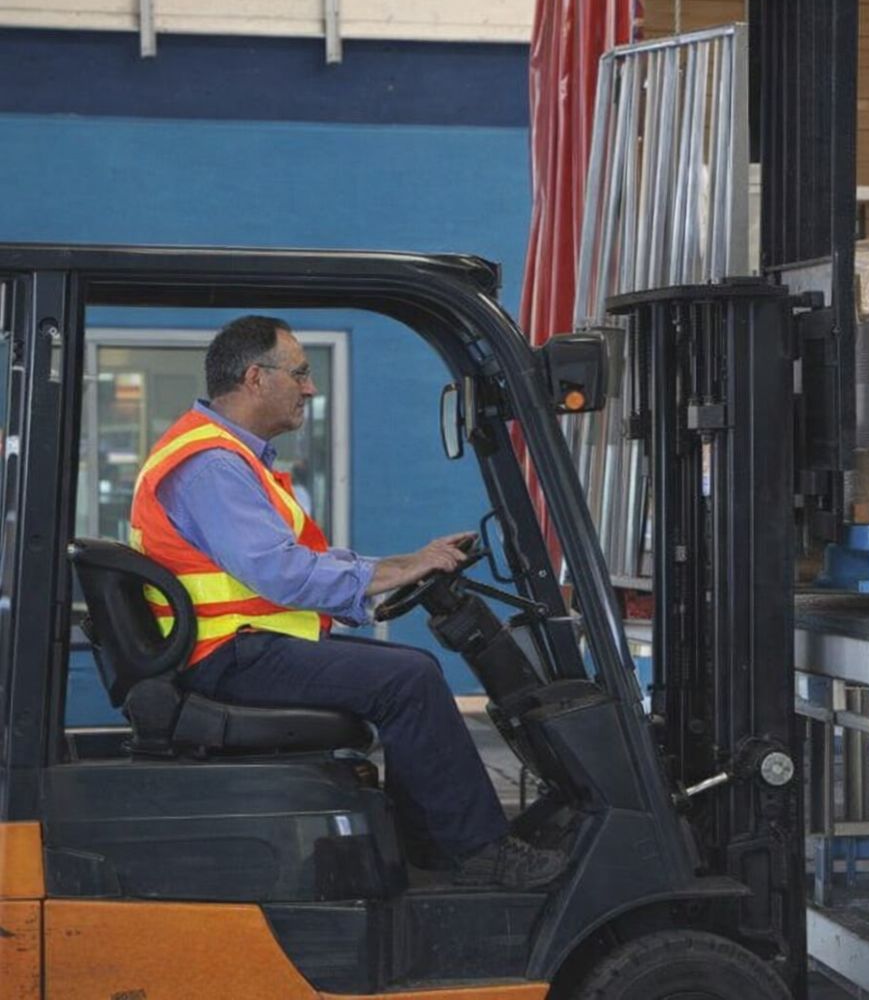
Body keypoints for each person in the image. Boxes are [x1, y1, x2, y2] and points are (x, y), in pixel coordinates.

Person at [129, 314, 562, 890]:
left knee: (408, 675)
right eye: (300, 373)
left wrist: (401, 565)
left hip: (239, 649)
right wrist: (393, 571)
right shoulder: (212, 466)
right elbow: (280, 574)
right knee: (409, 680)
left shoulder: (226, 456)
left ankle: (432, 843)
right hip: (228, 658)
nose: (310, 387)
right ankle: (477, 849)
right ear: (257, 378)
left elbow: (294, 562)